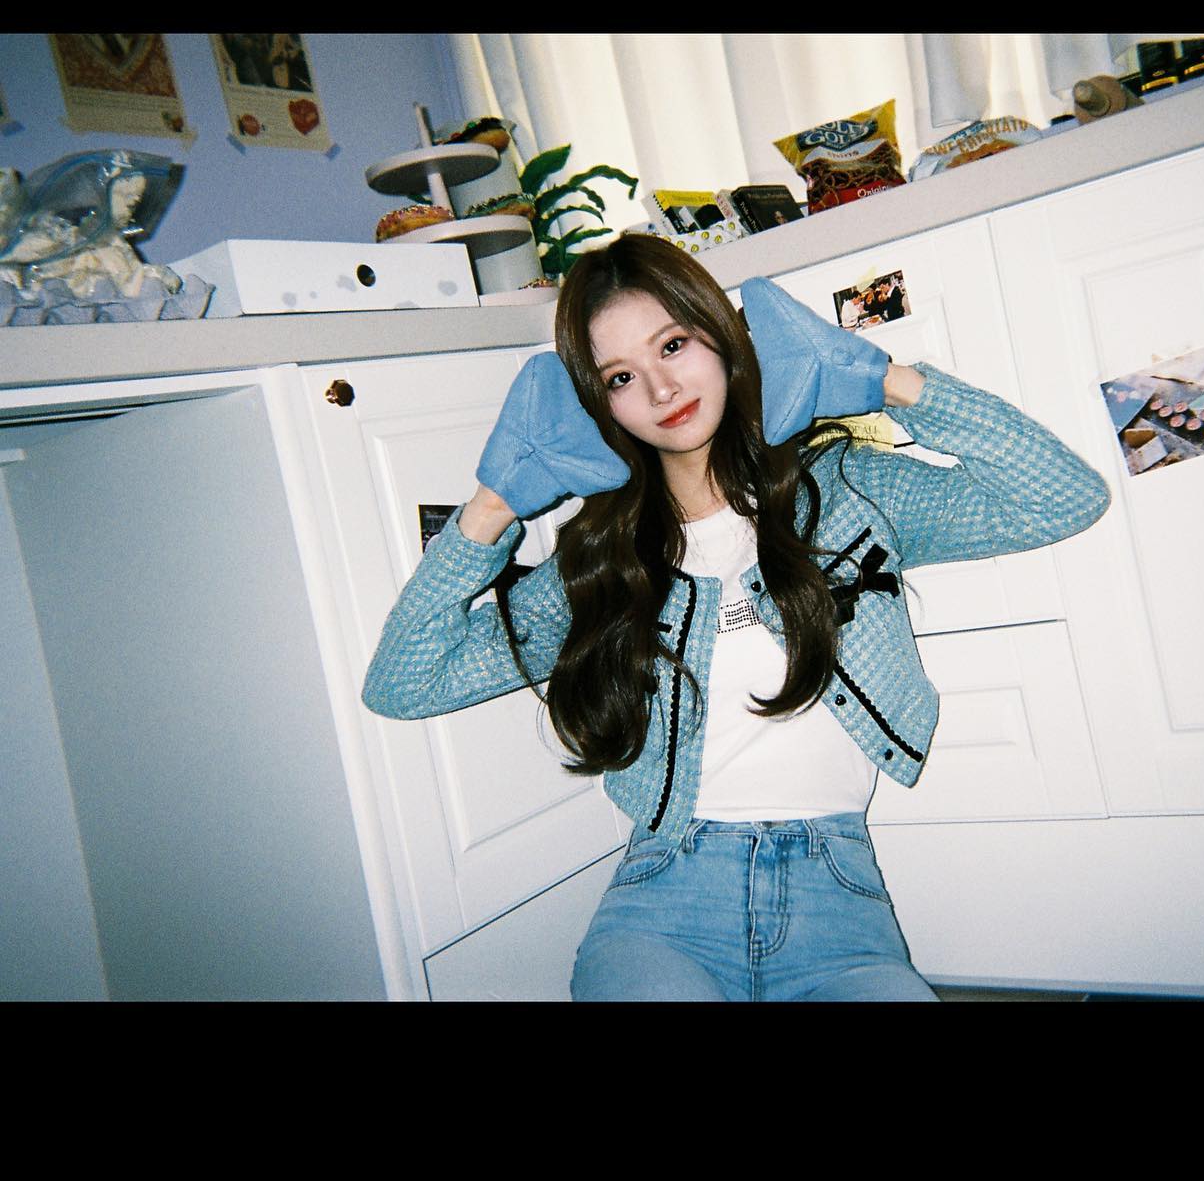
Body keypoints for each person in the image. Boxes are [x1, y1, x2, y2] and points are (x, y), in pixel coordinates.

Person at [363, 232, 1111, 1001]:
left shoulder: (847, 495)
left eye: (673, 345)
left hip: (839, 904)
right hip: (664, 901)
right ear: (599, 404)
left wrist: (885, 381)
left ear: (722, 338)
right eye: (621, 376)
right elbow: (403, 683)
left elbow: (1062, 498)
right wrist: (493, 503)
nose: (661, 390)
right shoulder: (601, 564)